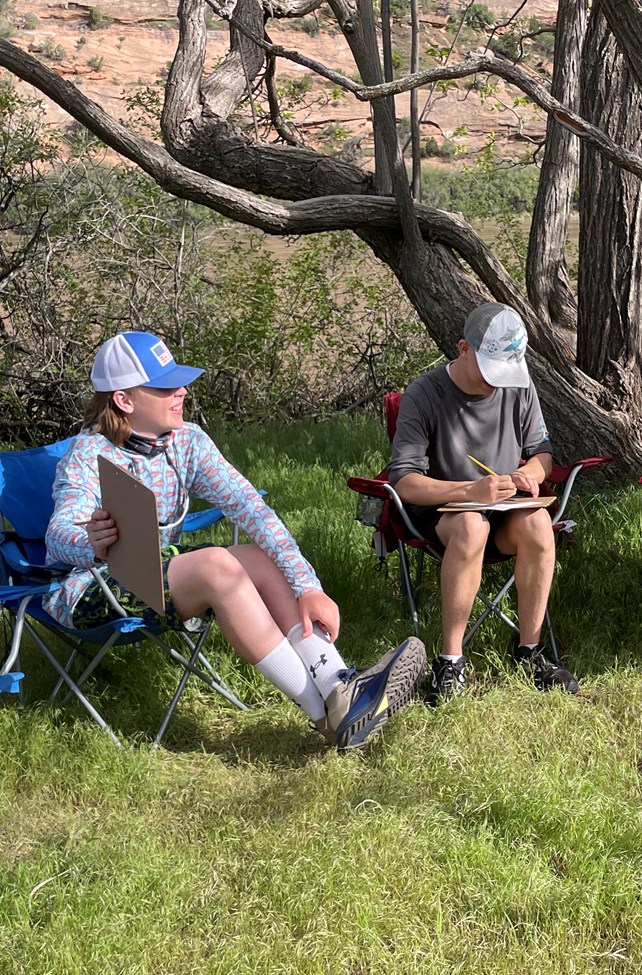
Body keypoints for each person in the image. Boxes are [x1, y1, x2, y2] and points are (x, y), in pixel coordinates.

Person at [45, 331, 426, 751]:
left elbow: (252, 510)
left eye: (179, 382)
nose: (182, 391)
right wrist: (92, 541)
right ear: (124, 400)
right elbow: (58, 537)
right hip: (92, 588)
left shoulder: (187, 441)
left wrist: (308, 586)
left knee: (255, 556)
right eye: (165, 386)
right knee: (217, 564)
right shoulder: (87, 454)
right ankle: (328, 715)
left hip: (157, 574)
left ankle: (339, 688)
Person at [388, 302, 578, 704]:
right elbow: (404, 482)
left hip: (504, 507)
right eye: (491, 371)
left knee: (540, 524)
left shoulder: (519, 387)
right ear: (463, 349)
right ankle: (450, 661)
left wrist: (533, 474)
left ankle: (529, 652)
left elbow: (542, 451)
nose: (498, 384)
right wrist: (468, 492)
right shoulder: (425, 393)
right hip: (445, 513)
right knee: (472, 526)